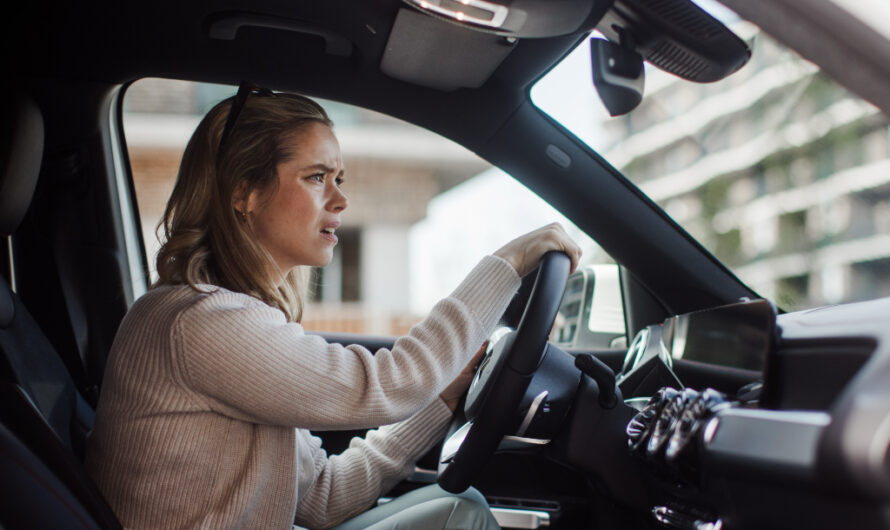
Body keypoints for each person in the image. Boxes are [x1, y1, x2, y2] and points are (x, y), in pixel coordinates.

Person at [85, 82, 581, 530]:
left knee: (460, 508)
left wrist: (442, 400)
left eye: (338, 177)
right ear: (245, 192)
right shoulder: (199, 321)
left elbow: (322, 496)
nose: (341, 200)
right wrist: (507, 263)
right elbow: (388, 383)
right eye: (317, 176)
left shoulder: (232, 318)